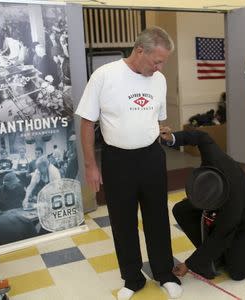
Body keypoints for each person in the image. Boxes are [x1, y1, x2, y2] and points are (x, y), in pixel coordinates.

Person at [75, 26, 182, 300]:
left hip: (151, 157)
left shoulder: (159, 80)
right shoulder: (105, 76)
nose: (159, 67)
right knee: (122, 221)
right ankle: (132, 278)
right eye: (156, 61)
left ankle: (163, 273)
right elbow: (87, 122)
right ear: (139, 50)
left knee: (157, 217)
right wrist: (90, 165)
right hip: (117, 160)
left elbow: (157, 119)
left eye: (163, 62)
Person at [160, 129, 245, 280]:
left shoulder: (232, 207)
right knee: (181, 210)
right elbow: (202, 136)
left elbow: (221, 235)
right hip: (223, 201)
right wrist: (172, 138)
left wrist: (189, 264)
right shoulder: (212, 158)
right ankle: (216, 256)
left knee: (238, 271)